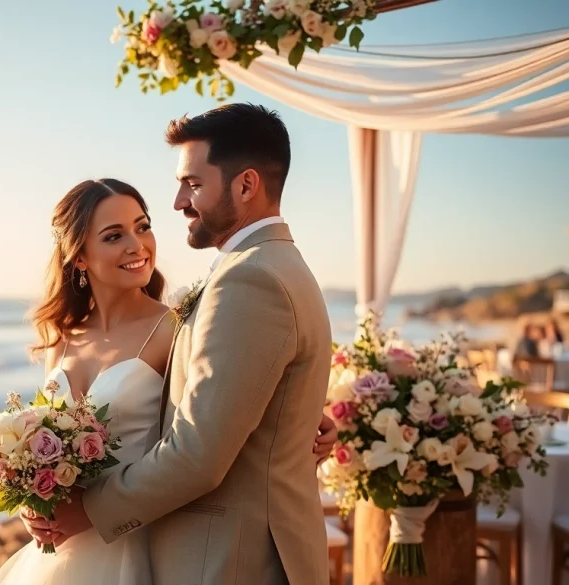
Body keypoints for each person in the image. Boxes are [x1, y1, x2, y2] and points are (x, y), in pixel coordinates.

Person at [23, 103, 335, 585]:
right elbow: (233, 391)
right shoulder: (258, 268)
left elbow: (198, 452)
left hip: (222, 555)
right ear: (77, 256)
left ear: (245, 185)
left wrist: (87, 511)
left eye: (192, 183)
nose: (178, 203)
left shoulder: (249, 280)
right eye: (114, 235)